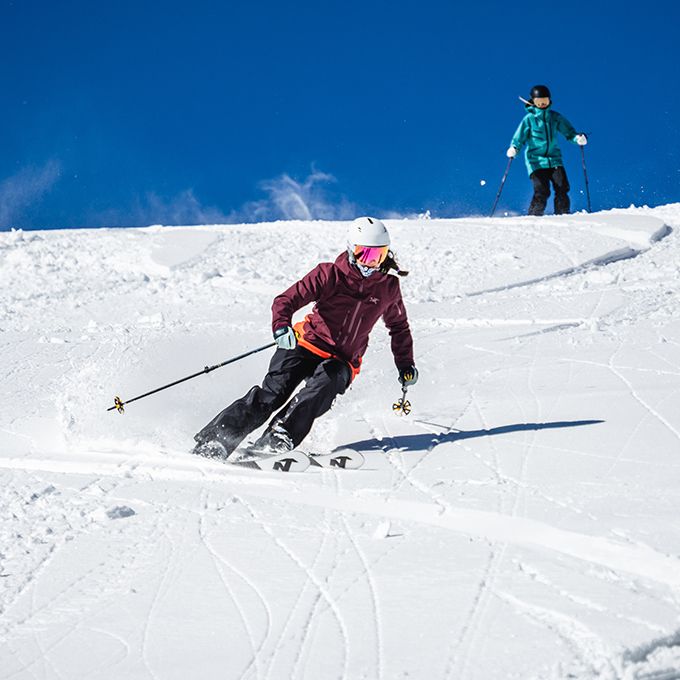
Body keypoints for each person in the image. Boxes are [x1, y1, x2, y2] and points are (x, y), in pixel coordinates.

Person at [192, 217, 418, 459]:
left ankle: (279, 436)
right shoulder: (329, 274)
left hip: (342, 360)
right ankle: (216, 439)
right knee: (273, 393)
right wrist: (281, 327)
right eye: (366, 255)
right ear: (352, 250)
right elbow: (286, 300)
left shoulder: (388, 287)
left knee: (321, 388)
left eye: (379, 256)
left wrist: (406, 364)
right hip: (305, 343)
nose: (372, 264)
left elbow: (399, 327)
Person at [507, 84, 588, 216]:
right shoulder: (529, 120)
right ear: (533, 102)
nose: (543, 104)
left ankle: (562, 215)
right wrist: (514, 148)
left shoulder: (555, 117)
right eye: (539, 102)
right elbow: (519, 137)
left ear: (550, 100)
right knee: (542, 190)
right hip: (536, 161)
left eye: (545, 101)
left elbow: (569, 132)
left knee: (562, 187)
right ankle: (533, 216)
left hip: (554, 160)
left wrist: (577, 138)